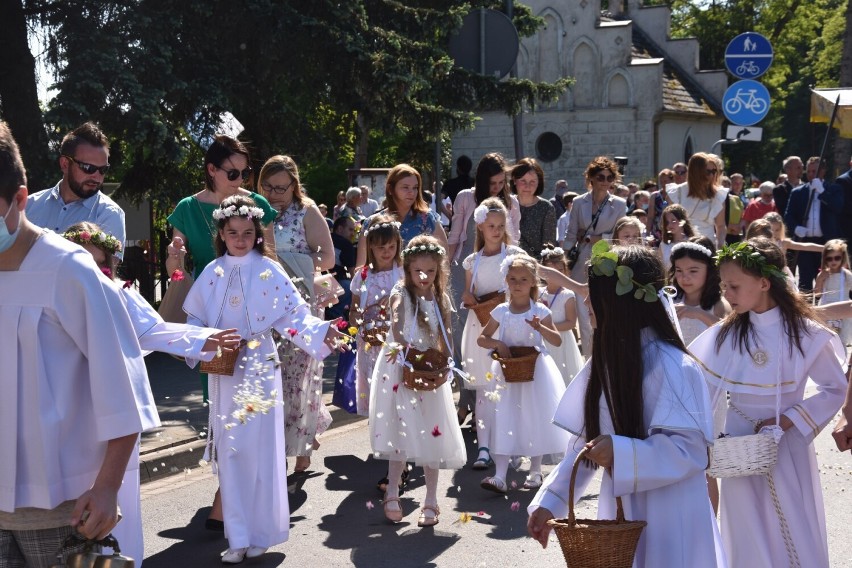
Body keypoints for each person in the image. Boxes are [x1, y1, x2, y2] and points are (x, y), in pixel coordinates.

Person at [0, 121, 145, 565]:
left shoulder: (70, 269)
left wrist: (106, 487)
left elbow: (121, 385)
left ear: (19, 201)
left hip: (62, 509)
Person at [527, 243, 724, 567]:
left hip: (672, 513)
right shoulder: (608, 361)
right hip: (624, 509)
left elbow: (690, 452)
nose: (587, 302)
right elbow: (585, 443)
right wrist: (552, 501)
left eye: (595, 294)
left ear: (623, 302)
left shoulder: (674, 365)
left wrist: (620, 452)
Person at [63, 221, 239, 565]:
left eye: (99, 264)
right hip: (65, 418)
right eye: (81, 263)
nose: (92, 272)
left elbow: (155, 331)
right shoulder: (48, 297)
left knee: (119, 496)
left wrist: (205, 338)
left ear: (111, 266)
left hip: (115, 412)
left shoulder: (118, 293)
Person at [182, 195, 344, 564]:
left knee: (261, 451)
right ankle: (237, 536)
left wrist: (320, 332)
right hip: (225, 371)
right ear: (222, 234)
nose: (240, 239)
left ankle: (262, 532)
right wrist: (196, 344)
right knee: (231, 451)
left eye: (248, 232)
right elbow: (195, 319)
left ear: (257, 234)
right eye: (233, 232)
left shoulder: (269, 270)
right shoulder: (212, 271)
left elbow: (293, 317)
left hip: (258, 365)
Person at [689, 238, 846, 567]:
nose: (726, 294)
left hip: (785, 441)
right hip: (739, 444)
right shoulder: (726, 335)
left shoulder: (805, 334)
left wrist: (788, 419)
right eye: (724, 286)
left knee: (789, 516)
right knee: (745, 522)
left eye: (733, 286)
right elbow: (700, 390)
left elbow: (833, 387)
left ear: (763, 283)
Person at [368, 236, 465, 527]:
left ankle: (431, 499)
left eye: (431, 271)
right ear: (407, 270)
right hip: (402, 366)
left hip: (428, 368)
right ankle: (394, 491)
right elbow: (397, 323)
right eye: (418, 271)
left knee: (430, 431)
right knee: (400, 428)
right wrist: (408, 352)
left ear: (439, 271)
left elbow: (445, 334)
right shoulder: (401, 293)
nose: (424, 277)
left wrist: (445, 362)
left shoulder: (440, 298)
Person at [258, 155, 335, 474]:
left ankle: (302, 449)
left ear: (294, 185)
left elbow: (328, 256)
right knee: (275, 376)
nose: (275, 194)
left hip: (300, 303)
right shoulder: (256, 211)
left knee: (300, 376)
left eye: (281, 188)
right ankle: (292, 437)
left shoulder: (307, 210)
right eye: (268, 187)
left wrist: (296, 265)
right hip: (266, 305)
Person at [478, 253, 570, 493]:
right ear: (506, 281)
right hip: (507, 372)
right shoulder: (501, 311)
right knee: (504, 417)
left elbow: (557, 341)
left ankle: (535, 470)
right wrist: (498, 344)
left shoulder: (539, 310)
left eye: (523, 279)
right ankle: (499, 474)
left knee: (534, 416)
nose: (517, 284)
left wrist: (541, 327)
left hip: (535, 371)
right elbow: (482, 338)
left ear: (532, 283)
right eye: (512, 279)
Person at [458, 198, 525, 469]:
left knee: (510, 388)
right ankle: (484, 447)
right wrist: (469, 298)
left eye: (500, 225)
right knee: (485, 390)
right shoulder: (472, 261)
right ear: (481, 229)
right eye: (491, 226)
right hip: (481, 326)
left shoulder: (512, 255)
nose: (496, 230)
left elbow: (524, 286)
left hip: (508, 326)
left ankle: (512, 444)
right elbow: (468, 293)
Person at [27, 121, 126, 257]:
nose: (96, 176)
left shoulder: (109, 215)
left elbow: (105, 274)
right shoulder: (28, 206)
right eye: (88, 168)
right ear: (65, 164)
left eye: (103, 169)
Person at [563, 156, 628, 358]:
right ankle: (590, 363)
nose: (606, 181)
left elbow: (621, 235)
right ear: (591, 177)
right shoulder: (578, 201)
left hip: (607, 264)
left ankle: (608, 357)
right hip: (581, 265)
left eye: (610, 177)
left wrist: (597, 237)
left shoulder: (619, 204)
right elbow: (571, 234)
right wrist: (563, 260)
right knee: (584, 320)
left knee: (607, 316)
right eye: (601, 176)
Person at [349, 216, 403, 417]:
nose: (387, 252)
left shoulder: (403, 273)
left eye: (391, 246)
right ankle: (378, 430)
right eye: (381, 247)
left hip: (395, 339)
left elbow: (413, 301)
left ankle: (397, 432)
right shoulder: (363, 275)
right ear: (370, 246)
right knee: (374, 386)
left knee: (395, 385)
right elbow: (354, 309)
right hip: (370, 342)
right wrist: (357, 319)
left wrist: (394, 300)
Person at [357, 164, 448, 267]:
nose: (411, 192)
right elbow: (361, 268)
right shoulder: (372, 223)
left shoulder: (428, 219)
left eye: (415, 188)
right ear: (390, 189)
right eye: (405, 187)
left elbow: (444, 260)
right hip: (380, 282)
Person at [784, 156, 845, 292]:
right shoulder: (798, 192)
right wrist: (796, 228)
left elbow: (838, 207)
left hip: (826, 242)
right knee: (805, 281)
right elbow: (789, 215)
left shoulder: (834, 189)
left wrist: (822, 192)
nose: (811, 175)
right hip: (805, 243)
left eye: (815, 171)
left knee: (828, 280)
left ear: (823, 171)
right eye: (809, 171)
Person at [668, 236, 729, 345]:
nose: (685, 278)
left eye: (693, 271)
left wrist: (699, 314)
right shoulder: (671, 300)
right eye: (679, 270)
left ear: (709, 270)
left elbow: (730, 333)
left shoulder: (719, 304)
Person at [538, 245, 583, 386]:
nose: (556, 275)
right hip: (543, 341)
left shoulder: (567, 295)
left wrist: (548, 328)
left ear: (565, 271)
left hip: (562, 341)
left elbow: (570, 322)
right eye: (551, 271)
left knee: (563, 373)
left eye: (560, 271)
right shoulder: (539, 292)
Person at [665, 152, 727, 248]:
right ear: (696, 172)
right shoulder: (676, 193)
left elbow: (720, 226)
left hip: (706, 247)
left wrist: (720, 246)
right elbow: (668, 222)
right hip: (680, 246)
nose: (712, 175)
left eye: (714, 171)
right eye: (708, 171)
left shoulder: (718, 195)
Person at [511, 158, 557, 259]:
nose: (527, 186)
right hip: (507, 262)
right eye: (523, 181)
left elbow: (549, 246)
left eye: (532, 181)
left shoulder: (546, 208)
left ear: (538, 182)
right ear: (514, 180)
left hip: (535, 265)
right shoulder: (506, 204)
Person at [814, 239, 852, 348]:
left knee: (841, 341)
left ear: (842, 257)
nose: (833, 261)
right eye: (829, 258)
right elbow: (817, 294)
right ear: (825, 259)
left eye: (837, 258)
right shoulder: (822, 274)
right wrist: (820, 280)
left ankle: (842, 364)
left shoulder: (846, 275)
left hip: (843, 311)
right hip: (826, 309)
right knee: (826, 342)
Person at [657, 203, 695, 273]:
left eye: (673, 220)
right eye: (667, 222)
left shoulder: (692, 242)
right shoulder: (663, 245)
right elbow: (660, 268)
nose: (670, 225)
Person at [773, 156, 803, 224]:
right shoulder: (779, 190)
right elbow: (784, 211)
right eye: (798, 168)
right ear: (787, 170)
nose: (801, 170)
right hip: (789, 229)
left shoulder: (807, 187)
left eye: (802, 167)